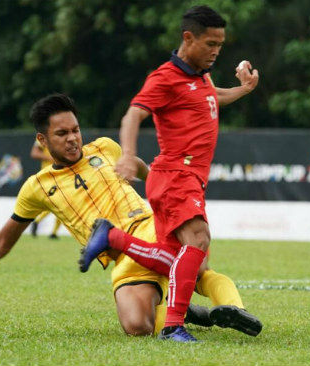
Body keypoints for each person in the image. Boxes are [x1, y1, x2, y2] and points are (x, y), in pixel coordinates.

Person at [0, 93, 256, 338]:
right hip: (122, 259)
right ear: (42, 139)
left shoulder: (106, 148)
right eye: (61, 134)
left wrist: (164, 191)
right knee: (136, 326)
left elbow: (139, 168)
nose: (73, 138)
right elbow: (1, 244)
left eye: (75, 129)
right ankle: (186, 312)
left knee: (197, 267)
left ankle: (233, 309)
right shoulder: (36, 187)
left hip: (151, 227)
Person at [78, 5, 260, 342]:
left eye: (220, 45)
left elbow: (212, 97)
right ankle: (174, 325)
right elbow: (133, 115)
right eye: (210, 44)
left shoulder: (200, 75)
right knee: (200, 240)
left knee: (178, 258)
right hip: (177, 174)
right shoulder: (165, 77)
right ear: (188, 38)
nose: (216, 51)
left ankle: (112, 238)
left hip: (179, 178)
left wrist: (244, 90)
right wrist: (129, 155)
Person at [29, 138, 62, 239]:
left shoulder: (65, 134)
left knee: (60, 203)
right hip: (49, 175)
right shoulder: (44, 134)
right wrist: (50, 158)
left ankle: (53, 232)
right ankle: (51, 230)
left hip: (61, 174)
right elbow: (34, 153)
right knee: (58, 203)